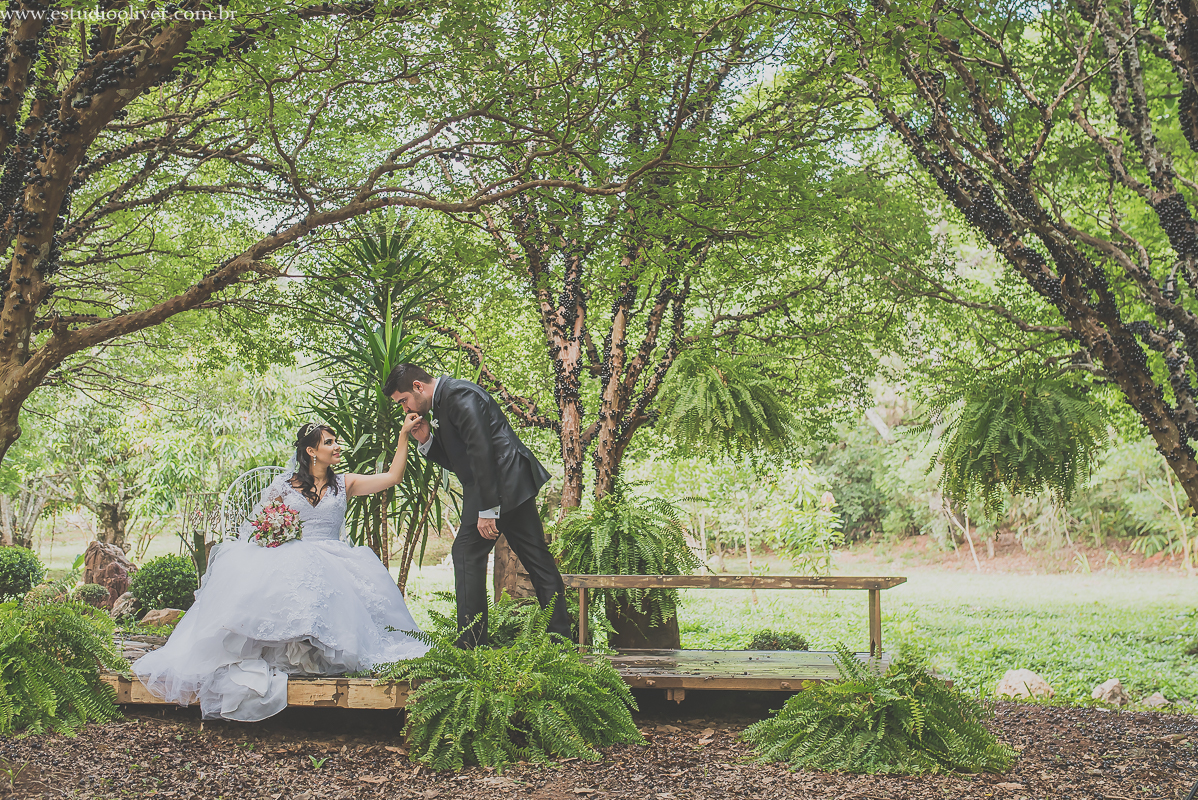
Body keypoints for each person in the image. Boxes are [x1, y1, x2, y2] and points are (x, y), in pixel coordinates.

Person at [133, 418, 429, 721]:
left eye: (335, 441)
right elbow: (257, 526)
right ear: (312, 451)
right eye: (329, 442)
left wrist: (404, 435)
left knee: (327, 576)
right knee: (291, 569)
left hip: (335, 556)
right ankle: (290, 649)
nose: (338, 446)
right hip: (294, 554)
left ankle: (323, 653)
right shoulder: (283, 487)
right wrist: (276, 533)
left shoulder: (346, 483)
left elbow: (393, 476)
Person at [384, 363, 571, 648]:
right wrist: (426, 440)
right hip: (511, 485)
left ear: (418, 387)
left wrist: (487, 510)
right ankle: (562, 644)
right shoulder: (444, 402)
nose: (404, 408)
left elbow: (482, 451)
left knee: (466, 553)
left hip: (502, 485)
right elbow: (460, 460)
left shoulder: (459, 396)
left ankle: (471, 649)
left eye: (403, 400)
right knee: (538, 562)